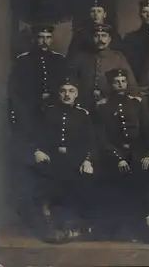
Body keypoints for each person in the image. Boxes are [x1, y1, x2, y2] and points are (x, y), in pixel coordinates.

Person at [95, 68, 149, 241]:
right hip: (113, 155)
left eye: (123, 81)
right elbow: (101, 138)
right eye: (116, 81)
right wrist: (118, 158)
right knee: (116, 187)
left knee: (146, 178)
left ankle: (145, 226)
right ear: (110, 84)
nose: (120, 84)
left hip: (138, 153)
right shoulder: (102, 107)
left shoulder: (137, 103)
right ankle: (119, 230)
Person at [31, 73, 96, 243]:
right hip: (52, 159)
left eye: (71, 91)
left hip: (74, 160)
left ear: (77, 94)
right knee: (46, 182)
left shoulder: (83, 115)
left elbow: (90, 141)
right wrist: (38, 150)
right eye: (63, 91)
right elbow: (38, 136)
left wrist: (88, 160)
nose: (67, 94)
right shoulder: (48, 113)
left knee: (78, 182)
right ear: (58, 93)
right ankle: (50, 225)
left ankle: (72, 226)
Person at [8, 24, 68, 144]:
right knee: (33, 141)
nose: (45, 41)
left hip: (54, 108)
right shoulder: (23, 60)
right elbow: (15, 88)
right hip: (31, 109)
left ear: (51, 39)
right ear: (34, 39)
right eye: (41, 37)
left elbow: (65, 83)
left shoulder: (59, 60)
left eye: (48, 37)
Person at [68, 23, 139, 112]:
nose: (100, 39)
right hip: (85, 105)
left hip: (110, 106)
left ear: (109, 39)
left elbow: (131, 84)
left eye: (104, 36)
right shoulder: (81, 58)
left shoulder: (118, 58)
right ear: (92, 38)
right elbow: (71, 81)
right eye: (97, 36)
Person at [122, 0, 149, 98]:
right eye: (145, 12)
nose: (148, 15)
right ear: (140, 15)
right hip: (138, 82)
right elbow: (127, 63)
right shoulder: (130, 38)